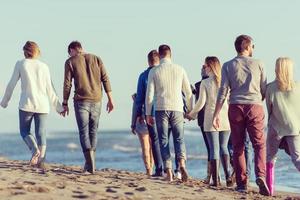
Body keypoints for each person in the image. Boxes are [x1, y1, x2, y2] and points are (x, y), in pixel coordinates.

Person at [212, 35, 269, 195]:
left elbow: (223, 91)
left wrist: (216, 114)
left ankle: (242, 183)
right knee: (259, 144)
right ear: (248, 47)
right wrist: (259, 99)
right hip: (254, 106)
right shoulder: (259, 63)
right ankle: (260, 175)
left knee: (238, 146)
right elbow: (264, 88)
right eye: (253, 46)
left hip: (235, 106)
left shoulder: (228, 65)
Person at [0, 41, 64, 168]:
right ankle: (41, 161)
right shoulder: (44, 66)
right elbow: (50, 89)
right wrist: (59, 107)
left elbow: (11, 84)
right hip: (42, 105)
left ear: (25, 51)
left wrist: (4, 101)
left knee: (24, 131)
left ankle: (34, 150)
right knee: (41, 133)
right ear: (37, 51)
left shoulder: (21, 64)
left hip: (26, 104)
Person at [62, 41, 114, 174]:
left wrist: (65, 102)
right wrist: (110, 99)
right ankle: (90, 163)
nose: (70, 55)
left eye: (70, 52)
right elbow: (105, 79)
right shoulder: (96, 58)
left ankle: (90, 165)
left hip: (81, 101)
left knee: (84, 132)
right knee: (93, 131)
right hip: (97, 100)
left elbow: (67, 84)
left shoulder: (70, 62)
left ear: (72, 50)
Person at [145, 44, 193, 182]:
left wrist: (148, 113)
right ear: (170, 55)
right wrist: (189, 109)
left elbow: (149, 95)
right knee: (179, 138)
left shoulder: (154, 71)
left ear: (159, 55)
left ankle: (169, 171)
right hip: (177, 108)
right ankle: (182, 164)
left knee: (164, 140)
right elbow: (188, 92)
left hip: (161, 109)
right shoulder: (180, 69)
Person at [186, 57, 233, 187]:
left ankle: (216, 181)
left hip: (210, 119)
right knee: (224, 147)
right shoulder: (225, 81)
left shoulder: (205, 83)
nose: (204, 67)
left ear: (210, 67)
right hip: (225, 118)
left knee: (214, 149)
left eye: (205, 65)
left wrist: (191, 114)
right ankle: (228, 176)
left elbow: (201, 103)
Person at [265, 57, 300, 196]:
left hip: (276, 127)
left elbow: (269, 109)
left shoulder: (270, 88)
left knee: (270, 158)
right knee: (297, 158)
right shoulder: (298, 87)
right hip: (294, 127)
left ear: (277, 69)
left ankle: (270, 190)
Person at [135, 50, 163, 176]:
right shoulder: (163, 72)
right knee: (162, 141)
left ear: (148, 61)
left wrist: (136, 116)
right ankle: (170, 168)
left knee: (149, 144)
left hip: (146, 113)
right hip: (164, 112)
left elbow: (139, 99)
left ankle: (151, 170)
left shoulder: (143, 76)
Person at [194, 66, 210, 183]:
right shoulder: (217, 83)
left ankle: (210, 175)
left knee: (210, 148)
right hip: (217, 119)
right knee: (219, 147)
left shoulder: (199, 85)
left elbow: (198, 103)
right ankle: (225, 173)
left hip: (203, 119)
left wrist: (191, 114)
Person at [131, 93, 154, 176]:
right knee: (152, 147)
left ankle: (148, 169)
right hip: (153, 121)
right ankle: (151, 167)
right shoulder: (155, 93)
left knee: (145, 147)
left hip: (141, 122)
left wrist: (133, 124)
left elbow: (135, 110)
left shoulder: (138, 96)